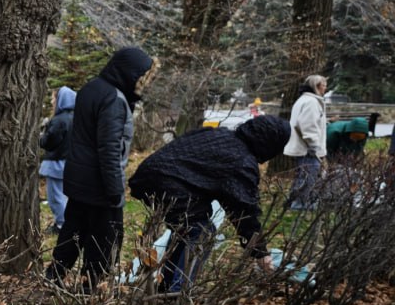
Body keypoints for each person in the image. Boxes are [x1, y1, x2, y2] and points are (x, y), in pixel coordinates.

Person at [128, 115, 289, 292]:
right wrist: (260, 252)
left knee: (188, 229)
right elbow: (244, 211)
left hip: (150, 174)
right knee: (202, 232)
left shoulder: (221, 135)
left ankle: (167, 286)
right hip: (167, 182)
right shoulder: (241, 161)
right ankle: (177, 292)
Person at [45, 47, 155, 290]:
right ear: (128, 71)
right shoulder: (113, 99)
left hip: (78, 180)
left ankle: (54, 276)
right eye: (140, 75)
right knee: (103, 241)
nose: (141, 82)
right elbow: (109, 149)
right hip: (100, 185)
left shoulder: (90, 88)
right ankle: (90, 290)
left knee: (73, 231)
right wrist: (115, 191)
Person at [284, 74, 328, 210]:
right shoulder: (311, 102)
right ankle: (301, 204)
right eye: (324, 85)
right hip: (307, 148)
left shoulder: (305, 100)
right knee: (309, 177)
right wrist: (314, 145)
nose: (325, 88)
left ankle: (294, 203)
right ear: (317, 86)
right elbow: (307, 125)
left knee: (303, 176)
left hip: (305, 147)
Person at [39, 86, 76, 234]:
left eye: (55, 98)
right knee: (65, 197)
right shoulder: (76, 117)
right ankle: (66, 224)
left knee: (55, 197)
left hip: (56, 164)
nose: (53, 101)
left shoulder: (59, 120)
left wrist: (40, 139)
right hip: (70, 163)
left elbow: (50, 142)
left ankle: (62, 226)